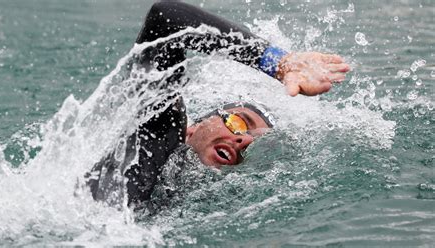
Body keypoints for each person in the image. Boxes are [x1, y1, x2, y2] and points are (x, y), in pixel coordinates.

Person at [85, 0, 350, 207]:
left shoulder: (200, 207)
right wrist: (278, 63)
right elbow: (166, 18)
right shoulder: (156, 139)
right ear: (193, 127)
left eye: (254, 145)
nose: (244, 141)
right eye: (237, 123)